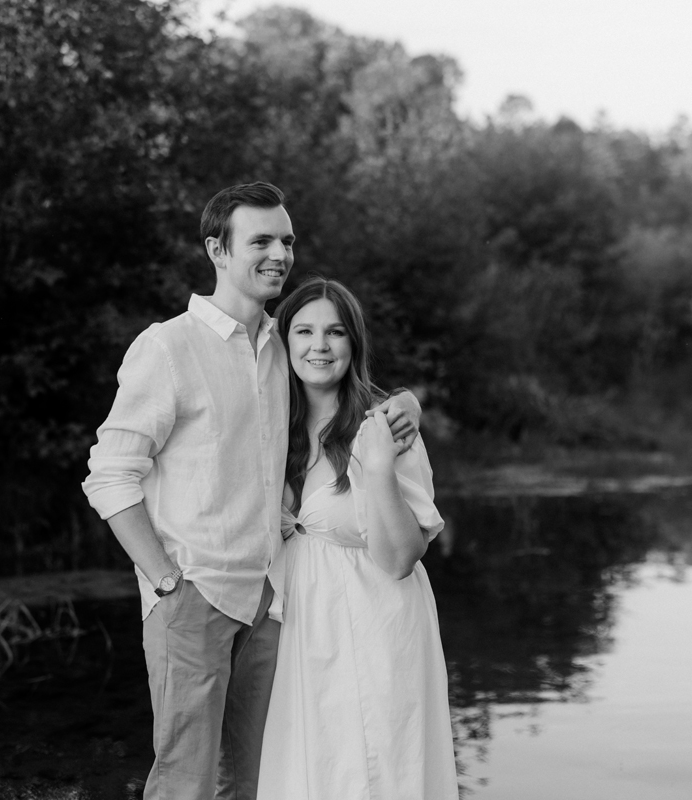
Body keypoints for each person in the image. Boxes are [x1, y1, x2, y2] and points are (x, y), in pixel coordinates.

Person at [82, 182, 420, 800]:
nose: (279, 254)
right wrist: (164, 582)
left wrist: (408, 405)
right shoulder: (169, 346)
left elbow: (346, 381)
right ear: (217, 249)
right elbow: (109, 474)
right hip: (193, 597)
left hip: (269, 604)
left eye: (286, 240)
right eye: (260, 240)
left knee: (256, 780)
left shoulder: (281, 345)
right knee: (186, 782)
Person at [257, 276, 457, 799]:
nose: (318, 346)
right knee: (317, 765)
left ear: (355, 344)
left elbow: (400, 559)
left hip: (378, 620)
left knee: (378, 764)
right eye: (303, 331)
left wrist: (381, 467)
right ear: (284, 341)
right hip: (305, 625)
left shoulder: (386, 426)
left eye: (335, 332)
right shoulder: (271, 421)